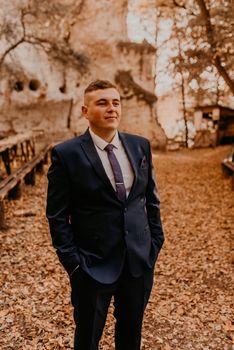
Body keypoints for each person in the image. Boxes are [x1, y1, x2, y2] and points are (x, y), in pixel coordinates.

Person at [46, 80, 164, 350]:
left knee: (131, 337)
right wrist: (73, 263)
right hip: (91, 265)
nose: (111, 108)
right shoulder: (66, 154)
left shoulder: (140, 146)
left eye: (115, 102)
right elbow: (57, 214)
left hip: (138, 262)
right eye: (102, 103)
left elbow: (150, 199)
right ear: (85, 111)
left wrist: (155, 242)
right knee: (87, 340)